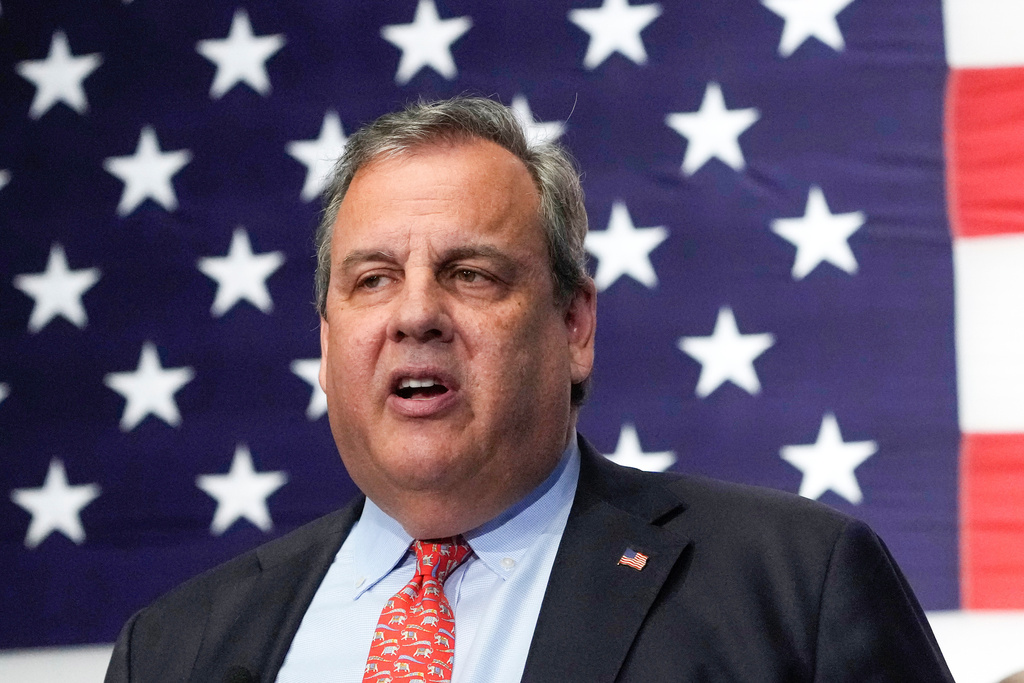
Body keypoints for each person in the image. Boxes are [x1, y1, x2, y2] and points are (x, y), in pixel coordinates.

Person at [104, 96, 954, 682]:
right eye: (371, 280)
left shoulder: (792, 589)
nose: (416, 315)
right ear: (327, 339)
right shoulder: (176, 649)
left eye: (470, 273)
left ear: (574, 324)